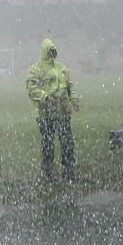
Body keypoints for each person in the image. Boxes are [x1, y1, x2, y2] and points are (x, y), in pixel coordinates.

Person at [26, 38, 78, 183]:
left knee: (67, 142)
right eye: (51, 51)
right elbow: (32, 89)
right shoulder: (36, 69)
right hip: (46, 114)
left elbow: (69, 86)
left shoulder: (61, 68)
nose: (53, 54)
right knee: (48, 143)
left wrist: (73, 99)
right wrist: (46, 97)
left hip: (63, 113)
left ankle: (69, 171)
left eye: (54, 51)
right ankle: (48, 173)